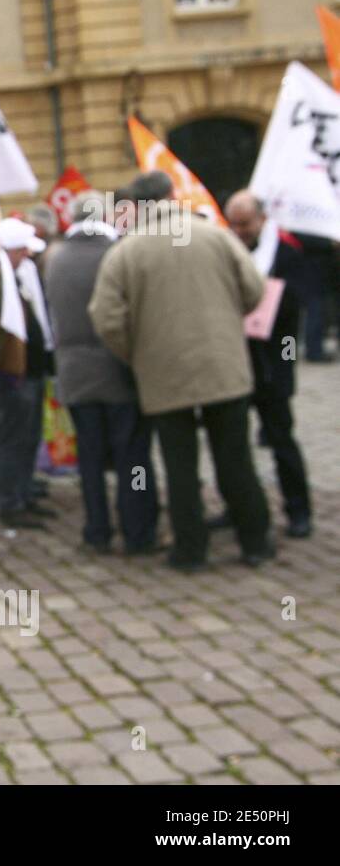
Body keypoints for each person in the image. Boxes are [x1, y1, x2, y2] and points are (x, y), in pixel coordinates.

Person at [89, 171, 272, 572]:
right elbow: (254, 289)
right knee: (235, 458)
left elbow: (104, 317)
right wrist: (225, 320)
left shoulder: (127, 251)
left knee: (179, 466)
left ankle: (190, 550)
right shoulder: (215, 235)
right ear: (172, 195)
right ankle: (255, 540)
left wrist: (135, 353)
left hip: (163, 373)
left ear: (137, 205)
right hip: (223, 366)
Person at [43, 191, 159, 555]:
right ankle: (137, 529)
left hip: (75, 373)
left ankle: (97, 529)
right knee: (132, 457)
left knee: (90, 458)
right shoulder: (116, 253)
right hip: (116, 370)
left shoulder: (56, 260)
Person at [222, 190, 312, 538]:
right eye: (234, 224)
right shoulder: (227, 250)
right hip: (236, 362)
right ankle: (238, 507)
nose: (240, 230)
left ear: (261, 219)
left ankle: (298, 509)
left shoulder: (286, 253)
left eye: (245, 223)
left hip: (275, 361)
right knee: (232, 444)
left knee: (281, 441)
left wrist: (268, 300)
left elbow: (299, 302)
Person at [0, 217, 56, 528]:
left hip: (31, 366)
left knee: (29, 434)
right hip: (9, 370)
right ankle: (10, 500)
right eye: (21, 251)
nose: (27, 257)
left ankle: (25, 490)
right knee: (13, 437)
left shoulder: (22, 273)